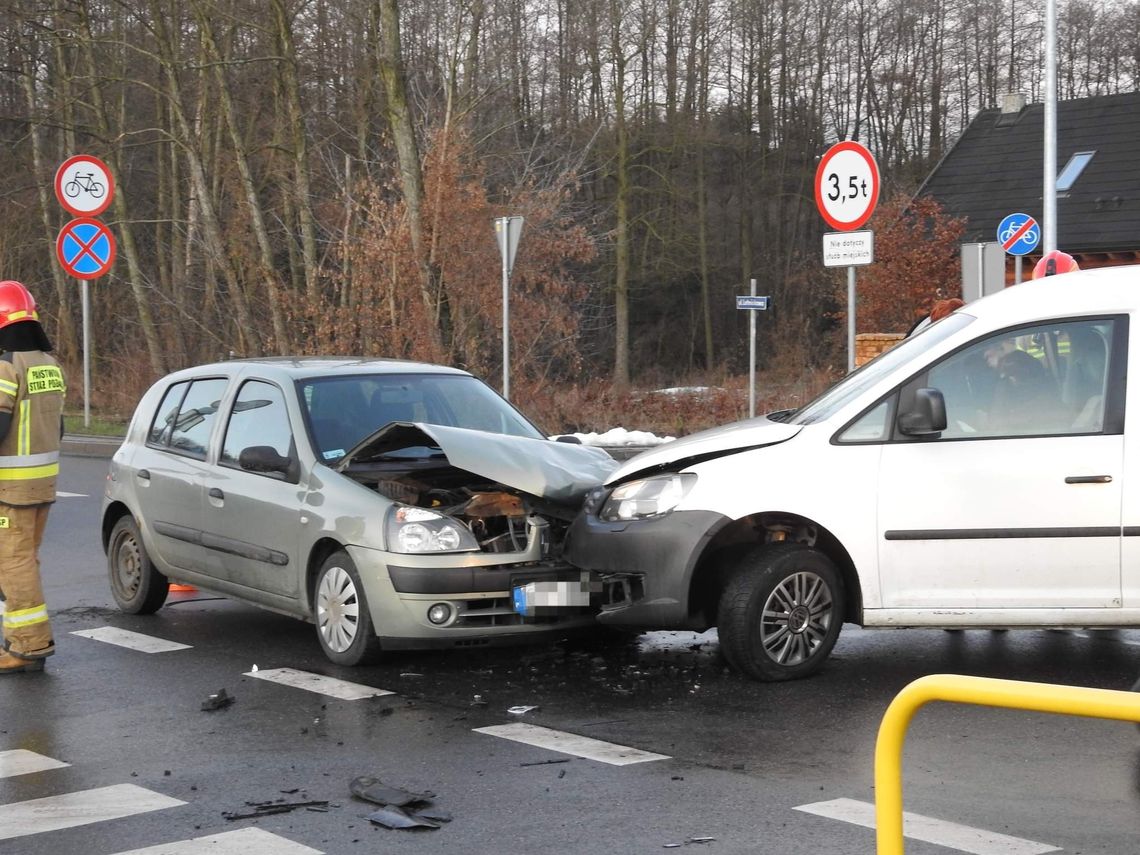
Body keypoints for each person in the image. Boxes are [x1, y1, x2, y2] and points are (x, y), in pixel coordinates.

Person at [0, 280, 65, 675]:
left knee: (13, 564)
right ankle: (19, 639)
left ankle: (29, 645)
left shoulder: (6, 366)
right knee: (23, 559)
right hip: (43, 483)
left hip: (12, 488)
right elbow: (58, 427)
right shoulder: (49, 365)